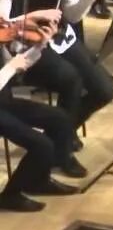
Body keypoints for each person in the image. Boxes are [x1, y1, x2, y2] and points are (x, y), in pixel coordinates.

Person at [1, 0, 113, 159]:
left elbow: (72, 16)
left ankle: (60, 133)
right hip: (27, 47)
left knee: (105, 90)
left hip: (60, 39)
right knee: (71, 79)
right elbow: (4, 23)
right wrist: (35, 16)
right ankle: (60, 153)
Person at [0, 11, 81, 211]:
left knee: (60, 119)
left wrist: (40, 45)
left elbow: (22, 64)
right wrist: (10, 67)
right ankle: (10, 195)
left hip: (3, 100)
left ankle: (38, 180)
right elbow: (11, 69)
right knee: (41, 144)